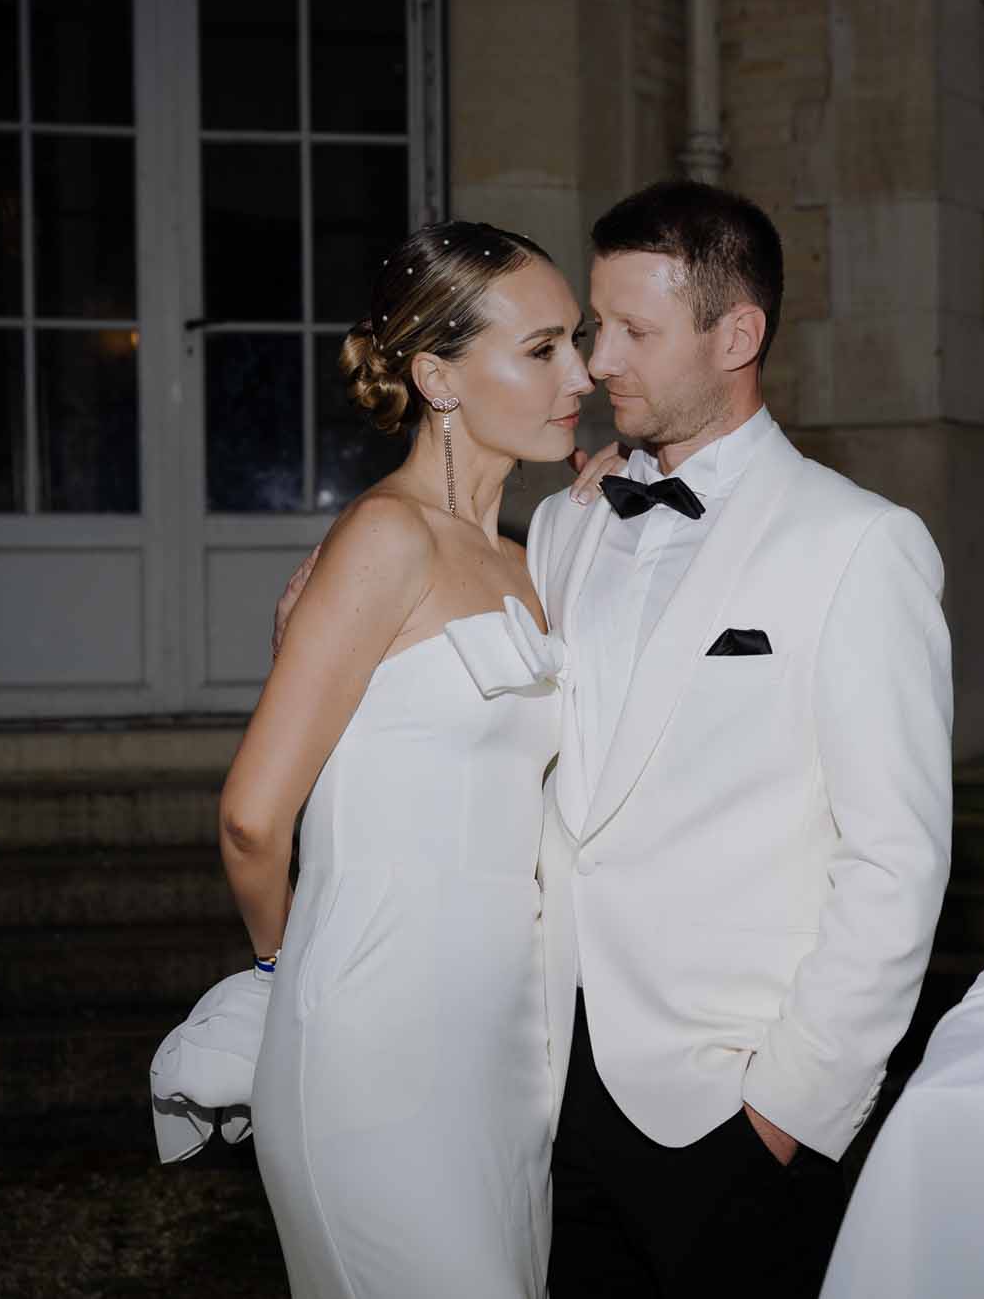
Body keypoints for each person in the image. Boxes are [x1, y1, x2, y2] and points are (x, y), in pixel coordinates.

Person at [274, 180, 954, 1298]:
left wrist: (786, 1109)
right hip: (542, 1081)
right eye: (593, 326)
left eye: (633, 331)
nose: (595, 363)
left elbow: (897, 862)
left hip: (729, 1099)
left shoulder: (857, 545)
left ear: (736, 335)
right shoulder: (564, 524)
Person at [221, 220, 593, 1297]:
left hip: (504, 1041)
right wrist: (277, 972)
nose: (580, 374)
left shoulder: (526, 565)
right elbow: (253, 816)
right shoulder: (385, 539)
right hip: (374, 1040)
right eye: (541, 349)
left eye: (575, 343)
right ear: (436, 373)